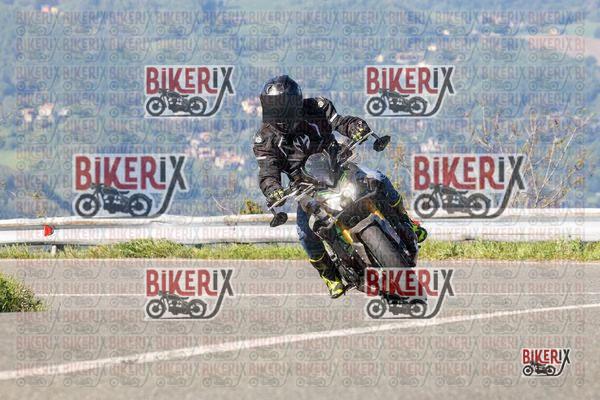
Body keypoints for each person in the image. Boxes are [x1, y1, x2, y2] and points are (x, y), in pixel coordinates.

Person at [252, 75, 426, 298]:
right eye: (274, 107)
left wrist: (356, 127)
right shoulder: (265, 139)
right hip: (305, 188)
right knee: (305, 233)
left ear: (295, 103)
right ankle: (330, 276)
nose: (279, 112)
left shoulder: (317, 107)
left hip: (339, 167)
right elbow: (267, 172)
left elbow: (341, 122)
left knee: (378, 179)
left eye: (282, 106)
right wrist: (273, 189)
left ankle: (407, 223)